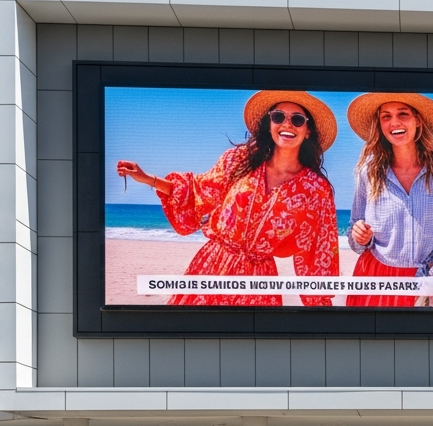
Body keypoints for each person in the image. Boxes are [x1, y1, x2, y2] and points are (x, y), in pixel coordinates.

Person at [116, 90, 340, 306]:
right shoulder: (239, 160)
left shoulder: (316, 189)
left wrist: (319, 306)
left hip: (259, 280)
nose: (287, 124)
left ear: (308, 130)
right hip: (212, 265)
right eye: (278, 116)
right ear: (269, 124)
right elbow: (195, 191)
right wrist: (147, 179)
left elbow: (319, 250)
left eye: (298, 119)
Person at [345, 92, 433, 307]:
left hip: (422, 280)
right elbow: (355, 230)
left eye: (403, 114)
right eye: (386, 116)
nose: (394, 122)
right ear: (379, 124)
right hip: (373, 276)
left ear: (417, 120)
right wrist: (359, 235)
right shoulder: (368, 172)